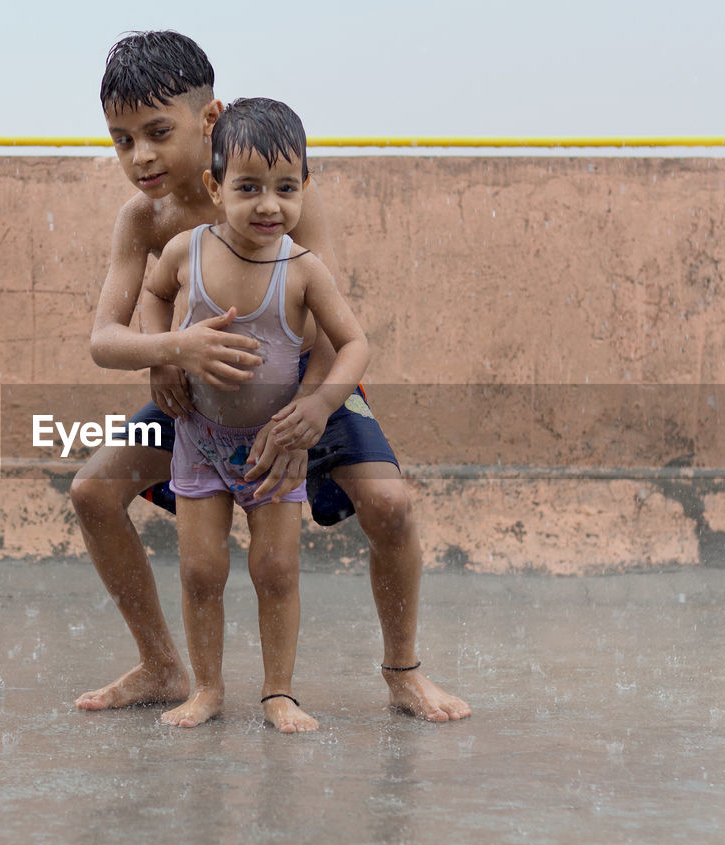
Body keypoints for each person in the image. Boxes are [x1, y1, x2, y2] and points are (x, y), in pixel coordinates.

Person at [71, 30, 470, 722]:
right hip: (203, 397)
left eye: (157, 132)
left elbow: (323, 326)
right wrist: (167, 352)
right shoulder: (144, 219)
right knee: (92, 492)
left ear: (210, 117)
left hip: (304, 383)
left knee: (391, 507)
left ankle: (402, 670)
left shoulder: (279, 195)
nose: (140, 156)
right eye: (121, 139)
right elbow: (106, 336)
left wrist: (311, 413)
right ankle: (166, 666)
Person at [141, 98, 368, 732]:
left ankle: (277, 693)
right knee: (201, 568)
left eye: (286, 188)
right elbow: (154, 299)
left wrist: (320, 405)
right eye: (248, 188)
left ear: (305, 189)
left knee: (275, 568)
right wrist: (161, 358)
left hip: (274, 445)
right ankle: (208, 687)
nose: (269, 205)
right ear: (215, 188)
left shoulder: (302, 270)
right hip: (199, 438)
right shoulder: (187, 251)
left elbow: (354, 343)